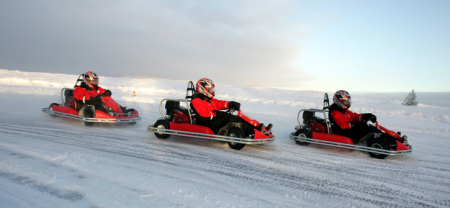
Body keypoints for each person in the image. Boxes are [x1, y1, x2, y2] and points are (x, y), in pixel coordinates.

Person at [191, 78, 271, 135]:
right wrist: (216, 113)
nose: (212, 91)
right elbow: (202, 114)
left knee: (237, 117)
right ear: (203, 89)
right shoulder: (196, 100)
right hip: (207, 122)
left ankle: (258, 127)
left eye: (212, 89)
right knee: (230, 119)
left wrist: (230, 104)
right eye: (210, 89)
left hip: (214, 118)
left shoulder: (208, 99)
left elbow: (219, 103)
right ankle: (252, 131)